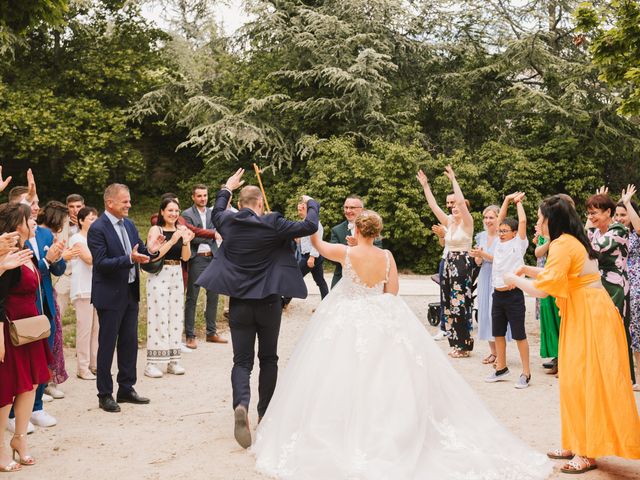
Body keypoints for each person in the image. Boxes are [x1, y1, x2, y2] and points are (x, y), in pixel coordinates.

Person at [252, 209, 552, 480]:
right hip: (379, 315)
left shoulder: (346, 252)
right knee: (387, 376)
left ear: (356, 231)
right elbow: (391, 291)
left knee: (341, 375)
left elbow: (316, 245)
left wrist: (311, 216)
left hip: (348, 316)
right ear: (378, 232)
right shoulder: (386, 257)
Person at [506, 195, 640, 474]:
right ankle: (575, 441)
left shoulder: (563, 244)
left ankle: (587, 451)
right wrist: (529, 269)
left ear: (551, 220)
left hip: (590, 317)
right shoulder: (568, 241)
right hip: (585, 313)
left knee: (585, 381)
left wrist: (514, 279)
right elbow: (565, 276)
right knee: (572, 379)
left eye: (541, 218)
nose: (539, 223)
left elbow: (544, 290)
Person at [195, 168, 319, 449]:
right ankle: (265, 413)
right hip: (269, 303)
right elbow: (310, 226)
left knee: (241, 361)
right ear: (261, 204)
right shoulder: (274, 223)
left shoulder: (227, 223)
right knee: (269, 358)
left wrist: (227, 187)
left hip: (239, 303)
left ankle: (241, 404)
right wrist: (311, 203)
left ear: (239, 205)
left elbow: (217, 209)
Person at [87, 183, 164, 413]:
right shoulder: (97, 228)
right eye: (125, 201)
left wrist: (150, 249)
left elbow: (140, 251)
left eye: (129, 200)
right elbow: (100, 264)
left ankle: (126, 388)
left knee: (130, 343)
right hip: (109, 295)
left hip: (130, 293)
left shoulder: (129, 225)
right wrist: (129, 259)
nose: (129, 205)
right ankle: (105, 394)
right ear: (110, 203)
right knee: (107, 345)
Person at [0, 203, 51, 472]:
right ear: (16, 224)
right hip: (11, 329)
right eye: (28, 218)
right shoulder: (6, 255)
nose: (33, 221)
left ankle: (20, 440)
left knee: (29, 385)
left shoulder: (27, 251)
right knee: (7, 389)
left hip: (32, 326)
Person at [417, 165, 475, 357]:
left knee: (460, 304)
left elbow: (459, 199)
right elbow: (433, 206)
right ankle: (455, 344)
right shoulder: (449, 222)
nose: (455, 208)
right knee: (449, 304)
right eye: (453, 207)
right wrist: (426, 186)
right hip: (449, 263)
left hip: (462, 263)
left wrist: (453, 180)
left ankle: (464, 346)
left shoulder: (467, 223)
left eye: (459, 206)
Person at [586, 189, 635, 384]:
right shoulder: (597, 231)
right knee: (599, 332)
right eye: (589, 213)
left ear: (608, 212)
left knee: (617, 332)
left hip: (616, 286)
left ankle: (623, 378)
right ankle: (603, 376)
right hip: (598, 285)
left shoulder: (619, 231)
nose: (591, 217)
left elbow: (592, 249)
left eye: (595, 212)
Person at [484, 193, 530, 388]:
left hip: (513, 296)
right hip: (498, 295)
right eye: (500, 230)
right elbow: (500, 217)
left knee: (519, 335)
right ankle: (501, 367)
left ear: (513, 233)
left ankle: (526, 373)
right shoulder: (497, 243)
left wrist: (517, 202)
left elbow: (523, 220)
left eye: (505, 230)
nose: (501, 232)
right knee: (498, 334)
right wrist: (506, 200)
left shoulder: (519, 244)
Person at [144, 198, 194, 378]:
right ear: (162, 212)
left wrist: (186, 241)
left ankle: (173, 360)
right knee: (158, 316)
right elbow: (153, 256)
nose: (173, 214)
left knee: (175, 315)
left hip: (176, 274)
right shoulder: (156, 230)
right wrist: (172, 240)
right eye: (170, 210)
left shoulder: (181, 230)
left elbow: (186, 258)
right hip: (159, 274)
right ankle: (152, 362)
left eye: (176, 210)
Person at [182, 185, 227, 347]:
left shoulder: (212, 213)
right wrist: (210, 235)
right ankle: (190, 335)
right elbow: (191, 237)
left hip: (213, 258)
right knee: (192, 297)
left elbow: (216, 232)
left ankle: (211, 332)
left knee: (213, 296)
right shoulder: (186, 214)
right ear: (193, 197)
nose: (203, 198)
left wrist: (202, 234)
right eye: (199, 196)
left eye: (205, 195)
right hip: (196, 259)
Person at [36, 201, 72, 401]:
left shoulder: (51, 236)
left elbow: (58, 270)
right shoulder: (36, 235)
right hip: (35, 297)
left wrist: (58, 257)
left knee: (49, 344)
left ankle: (41, 391)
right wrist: (49, 259)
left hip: (48, 296)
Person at [68, 206, 99, 380]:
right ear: (81, 221)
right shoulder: (76, 238)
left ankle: (94, 364)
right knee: (85, 329)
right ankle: (82, 367)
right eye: (91, 219)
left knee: (97, 329)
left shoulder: (97, 239)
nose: (94, 222)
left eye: (96, 219)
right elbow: (89, 259)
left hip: (98, 288)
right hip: (83, 289)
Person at [470, 204, 504, 362]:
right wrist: (477, 256)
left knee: (495, 315)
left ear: (498, 218)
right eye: (486, 217)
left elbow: (501, 259)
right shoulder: (481, 236)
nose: (488, 220)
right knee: (484, 313)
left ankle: (500, 353)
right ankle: (493, 352)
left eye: (491, 217)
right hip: (484, 276)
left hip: (497, 277)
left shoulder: (502, 236)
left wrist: (483, 254)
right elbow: (478, 262)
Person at [615, 184, 640, 391]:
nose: (620, 218)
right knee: (626, 332)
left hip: (637, 286)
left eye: (623, 214)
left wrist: (627, 203)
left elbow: (639, 227)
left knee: (637, 333)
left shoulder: (635, 233)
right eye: (617, 214)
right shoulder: (618, 234)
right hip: (621, 286)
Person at [329, 195, 381, 288]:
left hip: (368, 281)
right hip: (341, 281)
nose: (348, 211)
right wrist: (350, 250)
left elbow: (379, 251)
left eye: (352, 208)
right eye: (346, 207)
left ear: (362, 209)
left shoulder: (372, 227)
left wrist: (358, 246)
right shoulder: (336, 230)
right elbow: (333, 259)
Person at [54, 194, 85, 320]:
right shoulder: (59, 222)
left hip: (84, 274)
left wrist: (80, 225)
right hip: (65, 273)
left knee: (84, 316)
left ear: (84, 206)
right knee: (57, 312)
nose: (75, 210)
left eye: (78, 206)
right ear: (67, 207)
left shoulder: (91, 222)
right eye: (71, 206)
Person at [431, 193, 456, 341]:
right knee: (444, 295)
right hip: (445, 259)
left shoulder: (463, 220)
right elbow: (443, 244)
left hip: (458, 261)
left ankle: (457, 327)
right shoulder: (445, 220)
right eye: (447, 202)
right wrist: (441, 235)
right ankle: (444, 327)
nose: (449, 205)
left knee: (456, 296)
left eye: (452, 201)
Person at [296, 198, 329, 299]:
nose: (298, 212)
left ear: (306, 208)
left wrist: (312, 257)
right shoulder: (305, 222)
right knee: (320, 281)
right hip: (310, 256)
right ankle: (325, 302)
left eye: (300, 210)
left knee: (295, 277)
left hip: (311, 256)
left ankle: (284, 302)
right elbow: (306, 241)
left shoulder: (316, 224)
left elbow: (317, 242)